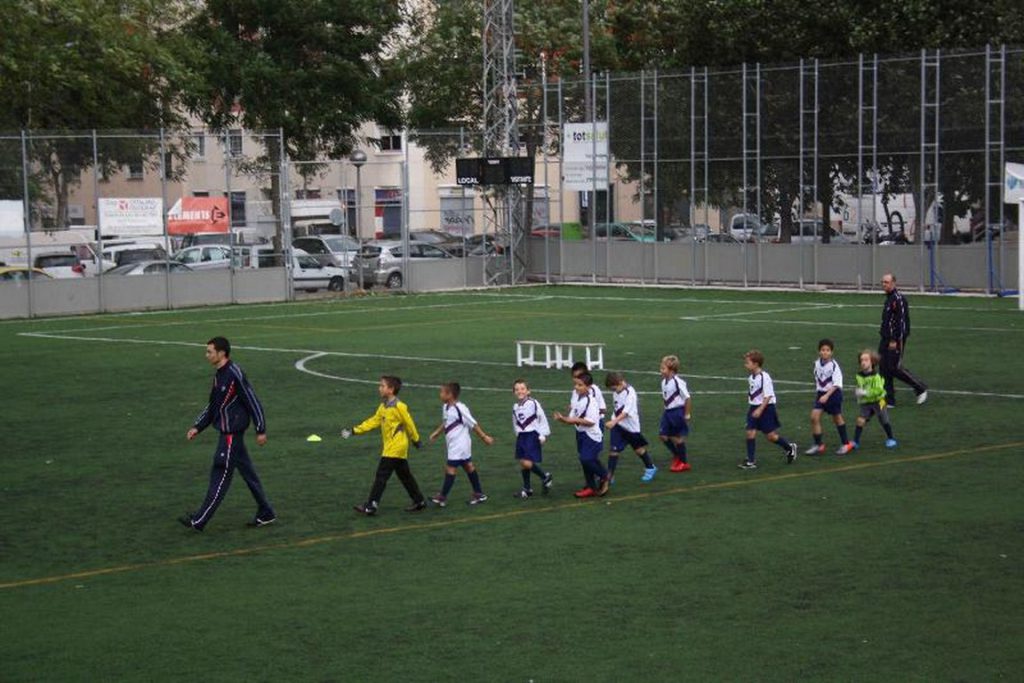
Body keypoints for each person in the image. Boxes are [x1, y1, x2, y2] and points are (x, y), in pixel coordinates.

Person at [180, 336, 276, 531]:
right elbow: (213, 406)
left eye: (209, 351)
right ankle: (266, 512)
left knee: (220, 473)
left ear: (221, 353)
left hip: (231, 435)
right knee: (249, 475)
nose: (206, 355)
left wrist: (261, 429)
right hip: (230, 435)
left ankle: (199, 521)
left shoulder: (234, 374)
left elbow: (252, 401)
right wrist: (197, 426)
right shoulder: (219, 375)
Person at [347, 375, 427, 516]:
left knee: (381, 476)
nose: (379, 388)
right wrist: (355, 430)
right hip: (392, 447)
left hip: (395, 447)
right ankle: (419, 501)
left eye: (382, 386)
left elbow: (409, 424)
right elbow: (374, 421)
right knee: (405, 476)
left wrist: (416, 440)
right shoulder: (383, 407)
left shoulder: (400, 406)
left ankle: (371, 505)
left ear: (391, 389)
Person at [428, 382, 494, 507]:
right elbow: (446, 422)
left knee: (450, 468)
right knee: (468, 466)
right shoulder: (446, 407)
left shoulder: (460, 408)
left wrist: (484, 437)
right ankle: (479, 493)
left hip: (460, 444)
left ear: (450, 395)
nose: (440, 394)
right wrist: (436, 433)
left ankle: (442, 496)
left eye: (442, 392)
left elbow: (473, 424)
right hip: (454, 444)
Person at [739, 350, 799, 470]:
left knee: (771, 436)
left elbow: (768, 396)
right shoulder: (751, 377)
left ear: (756, 364)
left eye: (748, 362)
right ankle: (751, 461)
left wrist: (760, 410)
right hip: (754, 408)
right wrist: (754, 409)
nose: (745, 365)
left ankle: (789, 447)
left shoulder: (764, 377)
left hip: (766, 408)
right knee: (750, 433)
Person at [554, 372, 610, 498]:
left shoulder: (591, 402)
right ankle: (591, 487)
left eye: (580, 385)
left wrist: (570, 420)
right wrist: (563, 419)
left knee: (586, 459)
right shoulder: (578, 399)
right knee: (586, 461)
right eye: (576, 385)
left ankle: (605, 476)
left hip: (592, 436)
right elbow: (572, 418)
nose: (576, 387)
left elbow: (590, 422)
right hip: (581, 435)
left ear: (588, 387)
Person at [879, 273, 928, 406]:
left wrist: (895, 339)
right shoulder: (889, 299)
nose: (884, 285)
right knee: (883, 368)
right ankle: (889, 400)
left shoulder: (898, 299)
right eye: (883, 282)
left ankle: (920, 388)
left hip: (895, 340)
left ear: (894, 283)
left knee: (894, 368)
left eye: (887, 282)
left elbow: (901, 322)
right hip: (885, 338)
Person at [605, 372, 657, 482]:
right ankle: (609, 476)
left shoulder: (630, 393)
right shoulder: (616, 392)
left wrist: (613, 421)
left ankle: (650, 467)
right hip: (619, 426)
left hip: (631, 428)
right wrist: (615, 422)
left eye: (614, 389)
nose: (614, 391)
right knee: (613, 450)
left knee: (639, 450)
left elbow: (626, 412)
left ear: (620, 383)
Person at [805, 338, 853, 456]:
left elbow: (836, 384)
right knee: (814, 417)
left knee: (837, 418)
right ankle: (818, 444)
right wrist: (821, 394)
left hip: (833, 394)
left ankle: (846, 444)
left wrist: (826, 396)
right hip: (822, 395)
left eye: (827, 350)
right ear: (819, 351)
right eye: (822, 350)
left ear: (831, 352)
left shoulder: (834, 366)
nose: (825, 352)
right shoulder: (817, 363)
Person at [512, 379, 553, 498]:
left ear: (528, 391)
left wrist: (543, 434)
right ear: (514, 392)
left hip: (532, 435)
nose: (520, 391)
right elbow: (515, 421)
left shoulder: (533, 403)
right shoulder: (515, 406)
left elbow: (542, 417)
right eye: (517, 389)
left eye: (522, 389)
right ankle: (527, 489)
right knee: (523, 462)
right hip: (522, 436)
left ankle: (545, 477)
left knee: (526, 462)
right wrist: (517, 434)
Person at [852, 350, 898, 449]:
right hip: (866, 403)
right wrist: (858, 392)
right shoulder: (859, 376)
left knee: (883, 419)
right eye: (861, 360)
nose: (863, 362)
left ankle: (891, 438)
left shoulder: (876, 377)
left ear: (872, 362)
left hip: (880, 401)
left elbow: (878, 391)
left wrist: (865, 392)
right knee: (860, 420)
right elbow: (860, 386)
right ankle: (855, 442)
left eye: (866, 360)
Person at [659, 355, 693, 472]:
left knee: (676, 437)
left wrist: (687, 414)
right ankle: (677, 454)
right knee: (663, 436)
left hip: (677, 412)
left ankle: (684, 462)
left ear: (672, 370)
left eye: (663, 369)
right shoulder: (664, 382)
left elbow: (687, 398)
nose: (661, 371)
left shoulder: (678, 382)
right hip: (668, 412)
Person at [571, 361, 607, 427]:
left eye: (579, 376)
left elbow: (603, 409)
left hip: (595, 423)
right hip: (581, 424)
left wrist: (588, 417)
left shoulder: (593, 390)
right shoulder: (576, 390)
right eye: (575, 376)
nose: (577, 379)